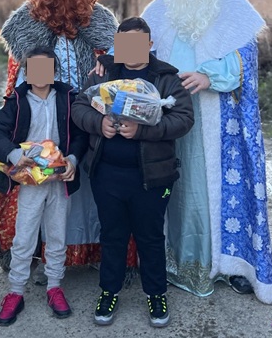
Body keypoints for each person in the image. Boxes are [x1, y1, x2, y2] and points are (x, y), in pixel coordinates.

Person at [141, 0, 272, 303]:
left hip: (220, 117)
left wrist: (208, 76)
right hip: (169, 117)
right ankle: (176, 261)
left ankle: (232, 265)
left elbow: (245, 61)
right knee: (177, 190)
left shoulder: (234, 7)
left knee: (219, 193)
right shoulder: (156, 11)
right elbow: (138, 58)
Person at [0, 0, 117, 270]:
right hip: (46, 115)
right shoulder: (26, 21)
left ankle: (94, 252)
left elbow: (119, 62)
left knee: (92, 179)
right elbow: (18, 74)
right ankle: (38, 254)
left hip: (91, 113)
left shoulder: (101, 18)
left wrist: (108, 61)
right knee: (43, 181)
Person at [73, 17, 194, 327]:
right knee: (112, 236)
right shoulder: (104, 73)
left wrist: (143, 131)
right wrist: (98, 123)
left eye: (138, 43)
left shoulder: (166, 78)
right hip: (106, 174)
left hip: (152, 177)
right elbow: (78, 107)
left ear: (149, 44)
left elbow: (183, 119)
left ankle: (156, 294)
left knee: (150, 237)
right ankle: (109, 291)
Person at [0, 47, 89, 326]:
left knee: (57, 235)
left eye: (46, 69)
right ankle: (16, 291)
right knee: (24, 236)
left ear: (54, 73)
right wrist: (14, 154)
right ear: (27, 73)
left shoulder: (68, 98)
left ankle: (54, 286)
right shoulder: (17, 101)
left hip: (59, 181)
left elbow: (81, 134)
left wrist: (73, 159)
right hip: (31, 182)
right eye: (34, 69)